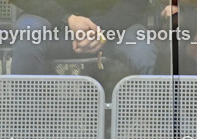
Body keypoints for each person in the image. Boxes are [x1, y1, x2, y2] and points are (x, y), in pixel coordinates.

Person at [11, 0, 155, 80]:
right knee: (29, 35)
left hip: (115, 27)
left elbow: (136, 4)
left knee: (144, 51)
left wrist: (101, 29)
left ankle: (154, 121)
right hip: (55, 22)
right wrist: (66, 18)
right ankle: (27, 122)